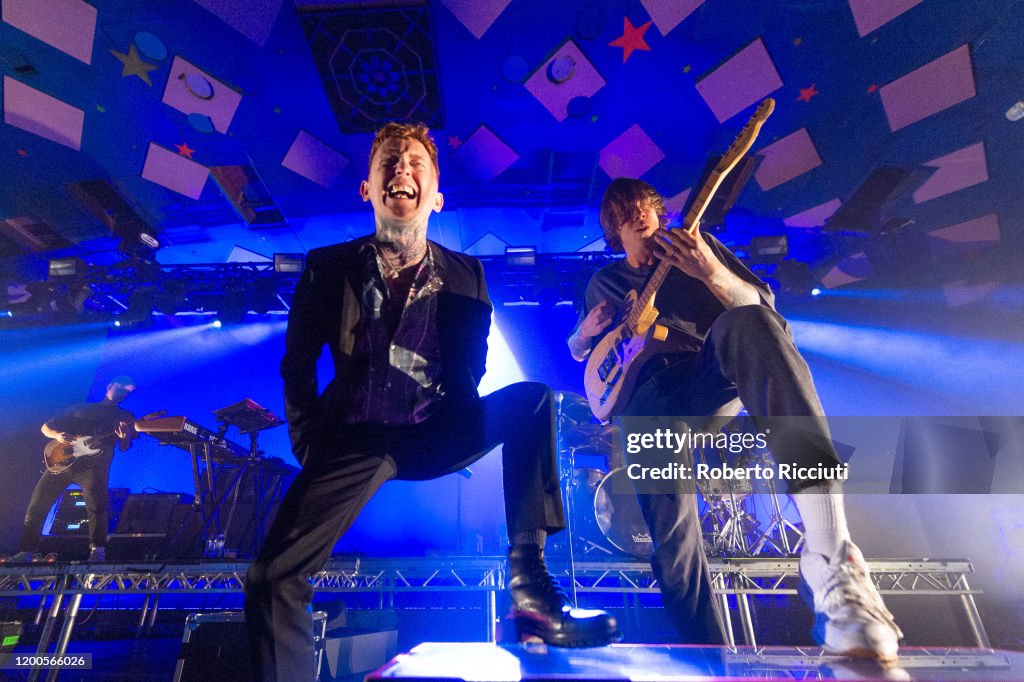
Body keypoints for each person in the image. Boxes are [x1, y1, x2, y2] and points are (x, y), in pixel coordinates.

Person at [244, 122, 618, 681]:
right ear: (367, 189)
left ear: (436, 196)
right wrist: (309, 442)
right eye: (389, 161)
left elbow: (477, 364)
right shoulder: (328, 266)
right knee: (273, 576)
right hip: (356, 437)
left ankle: (531, 595)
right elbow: (297, 365)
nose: (401, 168)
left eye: (415, 161)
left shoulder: (468, 272)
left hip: (439, 426)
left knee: (533, 401)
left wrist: (456, 407)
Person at [567, 178, 903, 662]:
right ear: (614, 230)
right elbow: (579, 352)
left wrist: (709, 272)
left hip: (705, 379)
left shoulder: (697, 247)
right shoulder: (603, 283)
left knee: (747, 323)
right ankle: (708, 660)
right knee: (673, 541)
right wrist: (586, 332)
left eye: (646, 203)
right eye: (625, 212)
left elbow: (768, 317)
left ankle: (831, 552)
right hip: (644, 406)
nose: (639, 213)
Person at [13, 376, 137, 563]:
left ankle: (98, 551)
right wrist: (57, 435)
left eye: (129, 391)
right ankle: (26, 551)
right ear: (110, 386)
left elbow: (125, 447)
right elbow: (46, 427)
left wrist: (125, 437)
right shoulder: (81, 409)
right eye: (122, 388)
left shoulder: (125, 416)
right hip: (61, 463)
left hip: (94, 467)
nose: (124, 393)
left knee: (97, 507)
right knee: (37, 505)